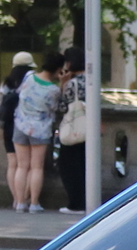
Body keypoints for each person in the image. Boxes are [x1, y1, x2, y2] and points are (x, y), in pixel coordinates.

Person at [7, 46, 65, 212]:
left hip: (20, 125)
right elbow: (56, 108)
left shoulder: (28, 78)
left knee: (21, 166)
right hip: (40, 129)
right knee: (36, 167)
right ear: (59, 69)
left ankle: (19, 202)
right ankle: (33, 202)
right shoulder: (53, 90)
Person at [52, 47, 91, 214]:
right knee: (84, 165)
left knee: (68, 166)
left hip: (73, 128)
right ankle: (87, 201)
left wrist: (63, 84)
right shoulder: (91, 80)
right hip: (88, 128)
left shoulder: (72, 84)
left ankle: (76, 203)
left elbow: (62, 107)